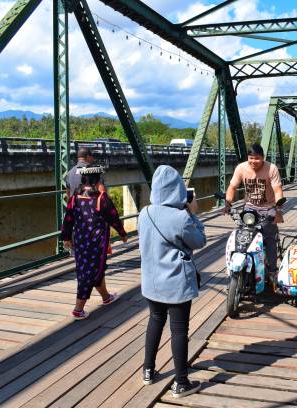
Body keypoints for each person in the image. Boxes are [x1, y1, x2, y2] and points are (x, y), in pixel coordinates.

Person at [139, 165, 206, 398]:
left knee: (155, 321)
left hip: (151, 282)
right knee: (179, 330)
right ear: (178, 189)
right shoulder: (181, 218)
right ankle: (181, 382)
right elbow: (199, 241)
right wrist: (193, 213)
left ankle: (148, 370)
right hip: (175, 283)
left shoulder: (144, 213)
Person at [61, 165, 128, 320]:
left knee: (94, 269)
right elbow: (113, 217)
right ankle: (78, 309)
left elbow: (68, 219)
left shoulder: (75, 198)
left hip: (80, 240)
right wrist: (123, 234)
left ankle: (106, 297)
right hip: (97, 242)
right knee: (90, 272)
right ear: (97, 180)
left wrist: (66, 237)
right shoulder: (101, 198)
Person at [225, 143, 284, 289]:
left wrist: (278, 208)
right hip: (250, 207)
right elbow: (232, 187)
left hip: (268, 207)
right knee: (243, 234)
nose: (253, 161)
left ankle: (272, 271)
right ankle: (239, 267)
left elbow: (277, 190)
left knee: (269, 237)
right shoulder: (241, 168)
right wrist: (227, 204)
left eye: (257, 158)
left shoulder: (271, 168)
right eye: (251, 158)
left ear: (263, 158)